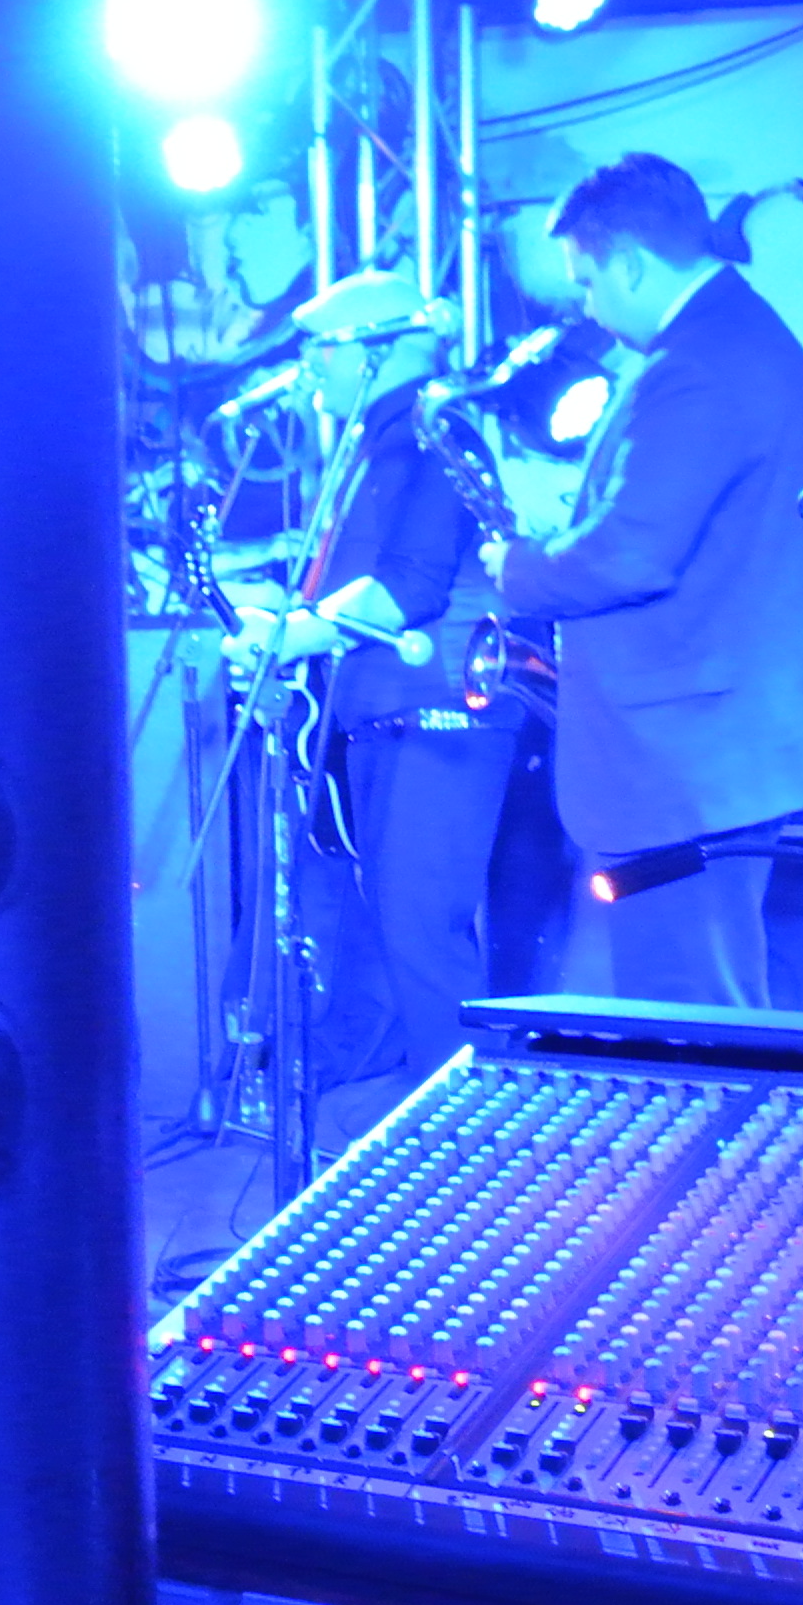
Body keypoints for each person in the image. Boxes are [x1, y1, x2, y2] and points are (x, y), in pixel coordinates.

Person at [490, 153, 803, 1009]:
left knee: (691, 1018)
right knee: (699, 1004)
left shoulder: (696, 366)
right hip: (715, 746)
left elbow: (632, 555)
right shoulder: (740, 340)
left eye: (587, 283)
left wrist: (517, 566)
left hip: (687, 760)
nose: (588, 308)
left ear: (631, 264)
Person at [224, 269, 527, 1122]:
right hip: (394, 721)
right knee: (393, 933)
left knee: (421, 934)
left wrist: (294, 633)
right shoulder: (380, 439)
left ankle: (468, 1139)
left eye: (318, 347)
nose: (306, 366)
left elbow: (410, 586)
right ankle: (418, 1116)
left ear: (374, 350)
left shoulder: (431, 431)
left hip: (440, 721)